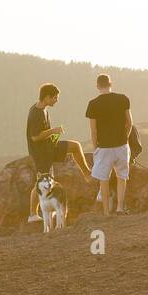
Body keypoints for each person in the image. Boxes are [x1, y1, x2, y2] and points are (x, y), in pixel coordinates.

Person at [25, 83, 93, 222]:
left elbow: (42, 135)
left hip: (49, 147)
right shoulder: (35, 113)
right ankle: (32, 214)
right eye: (55, 98)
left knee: (75, 146)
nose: (57, 100)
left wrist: (54, 136)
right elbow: (35, 137)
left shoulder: (43, 109)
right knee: (42, 182)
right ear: (47, 97)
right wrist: (53, 131)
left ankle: (87, 173)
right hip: (41, 154)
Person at [86, 73, 133, 215]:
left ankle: (106, 212)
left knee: (104, 179)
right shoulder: (123, 99)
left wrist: (95, 148)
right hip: (121, 145)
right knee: (122, 176)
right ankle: (119, 208)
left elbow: (93, 131)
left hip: (103, 147)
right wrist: (125, 138)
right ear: (110, 84)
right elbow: (130, 123)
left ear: (97, 86)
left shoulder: (93, 104)